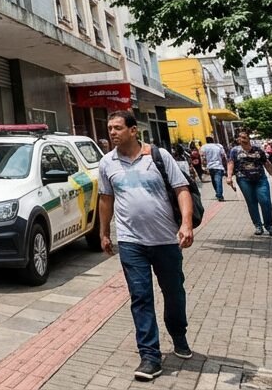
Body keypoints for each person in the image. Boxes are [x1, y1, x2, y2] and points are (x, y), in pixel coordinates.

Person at [98, 111, 195, 382]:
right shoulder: (107, 163)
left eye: (117, 127)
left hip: (166, 240)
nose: (112, 132)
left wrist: (186, 224)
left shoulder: (159, 157)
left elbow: (182, 190)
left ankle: (178, 333)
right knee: (140, 296)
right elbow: (106, 199)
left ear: (133, 130)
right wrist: (105, 232)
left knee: (173, 291)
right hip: (131, 242)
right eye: (109, 128)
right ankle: (150, 355)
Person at [227, 130, 272, 236]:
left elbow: (267, 163)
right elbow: (231, 163)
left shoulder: (257, 150)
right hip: (243, 180)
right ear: (238, 139)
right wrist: (229, 177)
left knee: (265, 202)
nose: (243, 139)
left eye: (245, 137)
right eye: (241, 138)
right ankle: (258, 226)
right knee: (251, 203)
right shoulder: (235, 150)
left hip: (260, 179)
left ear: (248, 138)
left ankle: (268, 225)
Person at [199, 136, 227, 201]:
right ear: (213, 140)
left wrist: (203, 166)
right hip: (219, 166)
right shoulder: (219, 146)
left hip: (210, 166)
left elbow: (202, 156)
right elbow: (223, 155)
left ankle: (218, 194)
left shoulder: (204, 147)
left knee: (214, 181)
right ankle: (219, 194)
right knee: (218, 181)